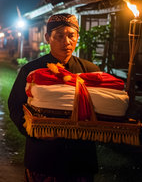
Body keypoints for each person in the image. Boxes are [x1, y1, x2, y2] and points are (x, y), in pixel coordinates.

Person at [8, 13, 100, 182]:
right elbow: (15, 105)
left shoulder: (90, 71)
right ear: (47, 38)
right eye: (59, 36)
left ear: (77, 37)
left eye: (71, 35)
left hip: (80, 159)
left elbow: (101, 108)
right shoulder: (31, 71)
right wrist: (34, 132)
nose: (66, 42)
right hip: (43, 156)